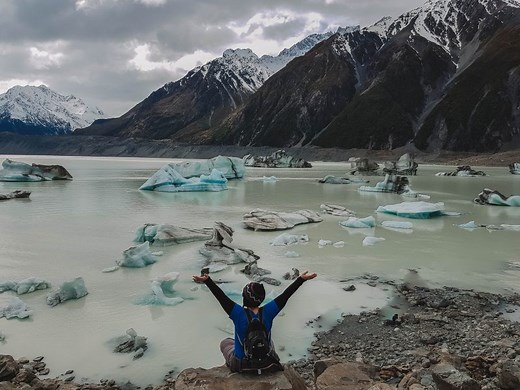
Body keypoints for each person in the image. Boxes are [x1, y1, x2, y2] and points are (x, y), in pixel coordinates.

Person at [192, 271, 317, 373]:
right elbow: (286, 295)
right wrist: (301, 279)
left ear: (245, 297)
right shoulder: (268, 311)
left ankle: (232, 368)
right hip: (266, 362)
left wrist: (207, 281)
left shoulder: (237, 313)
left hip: (242, 365)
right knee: (270, 341)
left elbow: (221, 297)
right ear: (261, 299)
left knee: (226, 342)